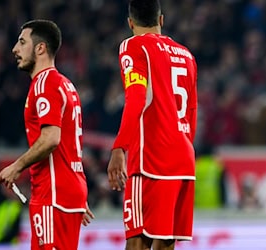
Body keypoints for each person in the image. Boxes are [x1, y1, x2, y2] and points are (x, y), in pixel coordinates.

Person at [0, 19, 94, 249]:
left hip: (53, 194)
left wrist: (16, 166)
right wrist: (74, 190)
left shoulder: (45, 84)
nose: (14, 49)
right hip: (68, 190)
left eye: (22, 42)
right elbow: (70, 142)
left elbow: (51, 139)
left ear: (40, 48)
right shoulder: (66, 84)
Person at [107, 0, 198, 249]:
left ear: (130, 22)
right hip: (183, 158)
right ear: (161, 20)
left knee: (137, 241)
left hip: (151, 159)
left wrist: (119, 148)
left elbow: (135, 97)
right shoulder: (187, 55)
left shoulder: (133, 46)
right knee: (165, 242)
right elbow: (192, 112)